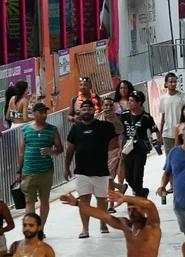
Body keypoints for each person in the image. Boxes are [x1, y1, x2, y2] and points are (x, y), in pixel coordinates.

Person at [64, 103, 121, 238]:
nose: (87, 111)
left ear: (94, 111)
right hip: (81, 171)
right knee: (84, 201)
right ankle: (85, 228)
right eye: (84, 109)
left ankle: (103, 223)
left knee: (101, 200)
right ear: (80, 112)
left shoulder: (104, 126)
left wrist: (115, 120)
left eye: (89, 109)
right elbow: (70, 149)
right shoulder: (75, 128)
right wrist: (66, 168)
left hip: (101, 171)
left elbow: (119, 130)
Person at [17, 102, 63, 225]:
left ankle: (41, 228)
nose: (43, 115)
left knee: (44, 201)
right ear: (34, 114)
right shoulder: (26, 130)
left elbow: (60, 148)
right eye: (40, 112)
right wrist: (18, 171)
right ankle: (31, 227)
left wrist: (51, 152)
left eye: (45, 113)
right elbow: (22, 152)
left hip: (46, 172)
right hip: (29, 171)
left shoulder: (52, 130)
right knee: (29, 201)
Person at [120, 91, 159, 198]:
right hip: (128, 149)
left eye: (132, 101)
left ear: (139, 103)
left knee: (138, 175)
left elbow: (155, 130)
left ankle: (139, 198)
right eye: (129, 100)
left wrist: (157, 142)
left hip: (140, 149)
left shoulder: (146, 117)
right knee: (128, 177)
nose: (129, 102)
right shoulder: (125, 115)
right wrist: (121, 148)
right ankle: (142, 192)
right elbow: (123, 133)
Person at [158, 73, 185, 154]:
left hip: (181, 132)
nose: (173, 84)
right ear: (166, 83)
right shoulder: (163, 98)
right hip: (167, 134)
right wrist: (160, 134)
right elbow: (163, 117)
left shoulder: (183, 96)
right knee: (170, 158)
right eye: (171, 82)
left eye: (175, 82)